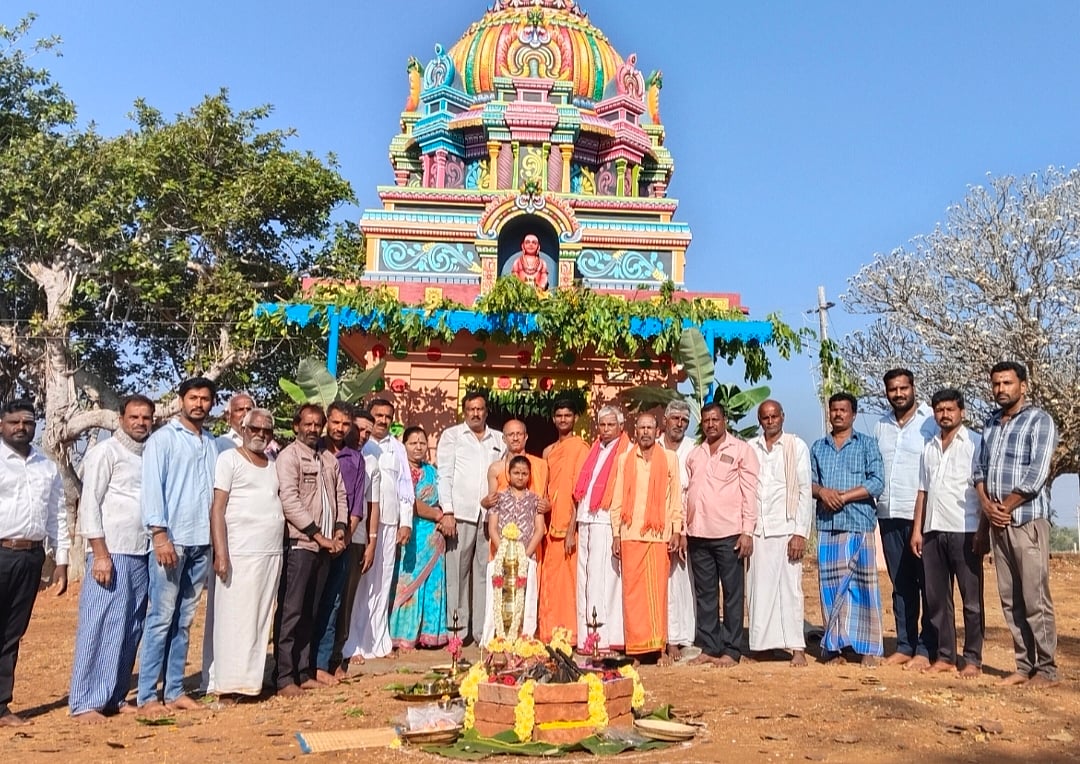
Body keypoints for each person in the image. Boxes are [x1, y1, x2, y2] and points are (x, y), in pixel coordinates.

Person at [973, 361, 1059, 687]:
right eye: (996, 384)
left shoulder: (1040, 421)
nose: (1000, 389)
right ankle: (1024, 665)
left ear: (1023, 386)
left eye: (1007, 383)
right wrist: (987, 507)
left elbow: (1036, 475)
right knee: (1010, 600)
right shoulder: (991, 423)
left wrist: (1005, 507)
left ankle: (1048, 669)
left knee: (1035, 597)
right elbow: (979, 471)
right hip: (998, 524)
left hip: (1026, 521)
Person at [68, 395, 154, 722]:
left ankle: (114, 696)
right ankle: (85, 701)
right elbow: (89, 503)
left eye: (146, 418)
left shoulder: (148, 455)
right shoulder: (105, 452)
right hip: (111, 551)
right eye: (134, 417)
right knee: (99, 623)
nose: (140, 423)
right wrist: (100, 554)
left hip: (141, 551)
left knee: (130, 626)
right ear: (121, 418)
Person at [139, 377, 219, 713]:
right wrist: (160, 536)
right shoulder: (163, 440)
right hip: (172, 541)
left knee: (184, 620)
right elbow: (152, 489)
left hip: (202, 542)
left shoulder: (212, 444)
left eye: (204, 399)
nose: (198, 404)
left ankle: (174, 691)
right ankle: (146, 696)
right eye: (193, 398)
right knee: (160, 618)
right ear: (181, 400)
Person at [204, 408, 284, 700]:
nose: (260, 434)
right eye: (255, 429)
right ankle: (227, 684)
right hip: (239, 552)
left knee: (259, 618)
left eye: (266, 430)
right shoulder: (229, 459)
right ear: (243, 429)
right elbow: (218, 509)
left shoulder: (273, 464)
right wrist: (221, 553)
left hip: (270, 552)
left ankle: (251, 683)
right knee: (233, 618)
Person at [0, 400, 68, 727]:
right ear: (2, 424)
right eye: (14, 421)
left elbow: (57, 514)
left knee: (12, 633)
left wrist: (62, 560)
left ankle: (1, 707)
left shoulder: (46, 466)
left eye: (27, 422)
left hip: (30, 557)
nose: (21, 427)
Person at [274, 404, 348, 697]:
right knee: (292, 612)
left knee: (310, 612)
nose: (313, 429)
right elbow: (289, 500)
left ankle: (303, 672)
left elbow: (340, 495)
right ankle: (283, 676)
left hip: (326, 546)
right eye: (308, 424)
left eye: (318, 425)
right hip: (301, 545)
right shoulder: (289, 457)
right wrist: (318, 535)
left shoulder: (328, 459)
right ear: (296, 426)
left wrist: (340, 529)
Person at [909, 389, 984, 678]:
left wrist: (982, 530)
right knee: (938, 599)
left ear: (961, 412)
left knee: (972, 600)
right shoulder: (928, 447)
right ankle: (945, 655)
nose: (945, 414)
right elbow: (922, 492)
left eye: (950, 409)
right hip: (933, 530)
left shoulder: (975, 443)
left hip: (965, 529)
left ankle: (973, 658)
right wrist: (917, 530)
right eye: (939, 410)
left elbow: (983, 488)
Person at [811, 392, 886, 666]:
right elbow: (807, 483)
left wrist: (843, 497)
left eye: (843, 410)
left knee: (863, 587)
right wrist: (822, 492)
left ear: (853, 414)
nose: (838, 414)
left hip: (859, 523)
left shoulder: (867, 445)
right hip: (829, 526)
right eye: (834, 410)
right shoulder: (818, 448)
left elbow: (877, 482)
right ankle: (835, 646)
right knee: (831, 588)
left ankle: (868, 648)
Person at [874, 369, 938, 670]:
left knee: (929, 584)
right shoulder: (881, 426)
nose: (898, 394)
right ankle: (904, 644)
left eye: (903, 388)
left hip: (921, 517)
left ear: (913, 387)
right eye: (892, 390)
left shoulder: (930, 422)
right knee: (901, 584)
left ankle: (928, 648)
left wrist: (922, 519)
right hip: (888, 514)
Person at [685, 403, 759, 667]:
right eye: (706, 420)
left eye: (715, 419)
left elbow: (750, 493)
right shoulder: (695, 454)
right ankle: (709, 645)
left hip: (730, 534)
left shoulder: (741, 450)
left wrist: (747, 531)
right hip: (698, 534)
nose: (710, 424)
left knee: (732, 594)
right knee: (705, 594)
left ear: (724, 420)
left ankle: (731, 649)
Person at [610, 413, 682, 658]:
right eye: (641, 428)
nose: (645, 432)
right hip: (630, 534)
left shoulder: (670, 459)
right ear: (635, 431)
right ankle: (635, 650)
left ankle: (658, 648)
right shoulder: (624, 460)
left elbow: (675, 499)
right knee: (632, 595)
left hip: (659, 535)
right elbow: (617, 498)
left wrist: (676, 530)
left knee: (657, 594)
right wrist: (616, 534)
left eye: (650, 427)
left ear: (657, 431)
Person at [747, 400, 812, 667]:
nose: (770, 421)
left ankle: (797, 647)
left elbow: (805, 490)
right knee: (758, 590)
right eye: (765, 417)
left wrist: (800, 532)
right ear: (760, 420)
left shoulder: (796, 446)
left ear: (783, 417)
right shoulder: (751, 448)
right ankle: (763, 646)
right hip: (758, 529)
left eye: (774, 416)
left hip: (786, 528)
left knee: (790, 590)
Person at [437, 391, 504, 641]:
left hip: (489, 517)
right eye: (471, 409)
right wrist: (448, 511)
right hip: (460, 514)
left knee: (485, 573)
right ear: (464, 411)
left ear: (486, 411)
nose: (476, 413)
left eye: (480, 409)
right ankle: (457, 631)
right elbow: (444, 474)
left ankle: (481, 632)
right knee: (457, 573)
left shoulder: (499, 439)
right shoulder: (452, 436)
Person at [349, 397, 414, 659]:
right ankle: (352, 644)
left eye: (388, 416)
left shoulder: (396, 448)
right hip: (361, 524)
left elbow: (404, 487)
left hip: (389, 523)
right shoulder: (359, 445)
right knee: (360, 582)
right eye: (379, 415)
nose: (383, 420)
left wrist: (406, 522)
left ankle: (379, 642)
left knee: (383, 582)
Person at [312, 402, 364, 684]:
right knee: (310, 601)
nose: (340, 428)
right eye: (335, 422)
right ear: (327, 421)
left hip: (343, 540)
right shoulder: (314, 450)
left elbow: (357, 504)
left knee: (335, 603)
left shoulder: (355, 458)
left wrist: (344, 536)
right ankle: (298, 665)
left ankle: (325, 662)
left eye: (345, 424)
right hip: (311, 539)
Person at [571, 405, 629, 651]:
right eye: (602, 425)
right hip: (586, 518)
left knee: (602, 580)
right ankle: (587, 636)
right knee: (585, 578)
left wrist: (618, 531)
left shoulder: (626, 452)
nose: (605, 430)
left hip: (606, 521)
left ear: (620, 427)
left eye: (610, 425)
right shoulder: (594, 449)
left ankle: (604, 638)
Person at [388, 426, 449, 649]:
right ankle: (402, 635)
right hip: (409, 534)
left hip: (433, 539)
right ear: (404, 446)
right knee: (405, 583)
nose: (418, 447)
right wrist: (436, 514)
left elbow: (445, 497)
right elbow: (408, 502)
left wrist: (443, 515)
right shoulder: (400, 472)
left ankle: (429, 634)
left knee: (431, 584)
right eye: (413, 442)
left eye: (422, 442)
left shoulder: (434, 472)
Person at [330, 407, 376, 678]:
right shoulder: (323, 454)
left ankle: (337, 659)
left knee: (344, 600)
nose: (361, 435)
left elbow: (359, 503)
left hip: (351, 538)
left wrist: (351, 536)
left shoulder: (359, 460)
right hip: (320, 538)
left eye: (367, 433)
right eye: (357, 429)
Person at [539, 399, 590, 644]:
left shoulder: (581, 448)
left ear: (575, 418)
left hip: (570, 526)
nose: (563, 419)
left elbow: (579, 492)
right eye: (558, 415)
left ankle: (570, 633)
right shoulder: (548, 452)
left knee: (569, 583)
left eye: (567, 415)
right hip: (549, 526)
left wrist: (572, 529)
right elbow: (546, 489)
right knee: (549, 580)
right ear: (553, 419)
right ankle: (549, 631)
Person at [483, 456, 546, 642]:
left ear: (529, 476)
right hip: (502, 557)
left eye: (524, 473)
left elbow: (539, 529)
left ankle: (524, 637)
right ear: (508, 475)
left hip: (527, 557)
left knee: (525, 598)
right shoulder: (499, 498)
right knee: (500, 598)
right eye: (516, 473)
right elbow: (492, 528)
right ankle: (497, 638)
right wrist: (504, 553)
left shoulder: (535, 500)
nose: (520, 477)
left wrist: (524, 556)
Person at [658, 400, 698, 662]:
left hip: (684, 523)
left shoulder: (694, 449)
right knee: (659, 583)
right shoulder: (652, 445)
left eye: (684, 420)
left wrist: (682, 529)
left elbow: (695, 491)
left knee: (682, 583)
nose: (679, 424)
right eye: (675, 419)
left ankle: (681, 637)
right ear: (665, 420)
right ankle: (660, 636)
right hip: (653, 523)